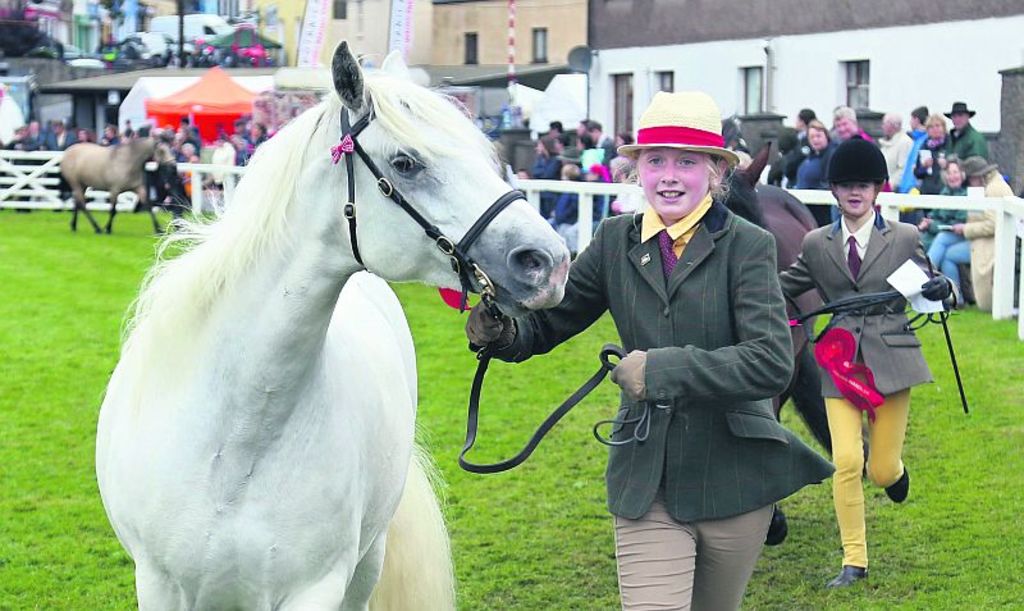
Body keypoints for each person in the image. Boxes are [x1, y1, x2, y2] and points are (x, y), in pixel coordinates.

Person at [466, 91, 833, 610]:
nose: (669, 175)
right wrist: (504, 334)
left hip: (735, 478)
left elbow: (772, 361)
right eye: (655, 160)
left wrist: (661, 369)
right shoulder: (615, 239)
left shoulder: (749, 246)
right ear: (637, 170)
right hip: (646, 472)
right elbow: (552, 323)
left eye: (687, 162)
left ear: (715, 172)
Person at [779, 137, 955, 589]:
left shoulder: (904, 238)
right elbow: (786, 284)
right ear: (834, 191)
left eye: (863, 185)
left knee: (879, 468)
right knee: (845, 460)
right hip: (838, 360)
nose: (854, 193)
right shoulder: (817, 244)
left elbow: (932, 285)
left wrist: (944, 292)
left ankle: (894, 472)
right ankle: (853, 559)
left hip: (892, 359)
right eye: (845, 185)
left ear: (877, 189)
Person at [957, 156, 1010, 312]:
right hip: (983, 239)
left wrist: (966, 229)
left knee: (948, 255)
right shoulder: (992, 185)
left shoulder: (993, 189)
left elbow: (993, 224)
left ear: (977, 176)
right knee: (945, 247)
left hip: (991, 243)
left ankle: (953, 298)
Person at [918, 158, 968, 251]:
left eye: (955, 172)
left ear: (962, 174)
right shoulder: (944, 192)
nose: (952, 176)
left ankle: (927, 266)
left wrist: (932, 225)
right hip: (934, 232)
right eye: (949, 173)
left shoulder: (966, 195)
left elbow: (955, 224)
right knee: (915, 240)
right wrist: (927, 221)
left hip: (952, 235)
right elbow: (934, 214)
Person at [913, 114, 949, 195]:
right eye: (931, 127)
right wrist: (924, 167)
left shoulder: (950, 143)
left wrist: (947, 165)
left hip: (945, 190)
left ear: (944, 127)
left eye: (937, 126)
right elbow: (917, 174)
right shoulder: (924, 146)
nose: (935, 129)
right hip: (927, 190)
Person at [878, 113, 914, 190]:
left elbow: (903, 169)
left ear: (893, 126)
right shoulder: (885, 143)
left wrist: (888, 186)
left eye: (884, 124)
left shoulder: (905, 142)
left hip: (895, 191)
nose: (882, 127)